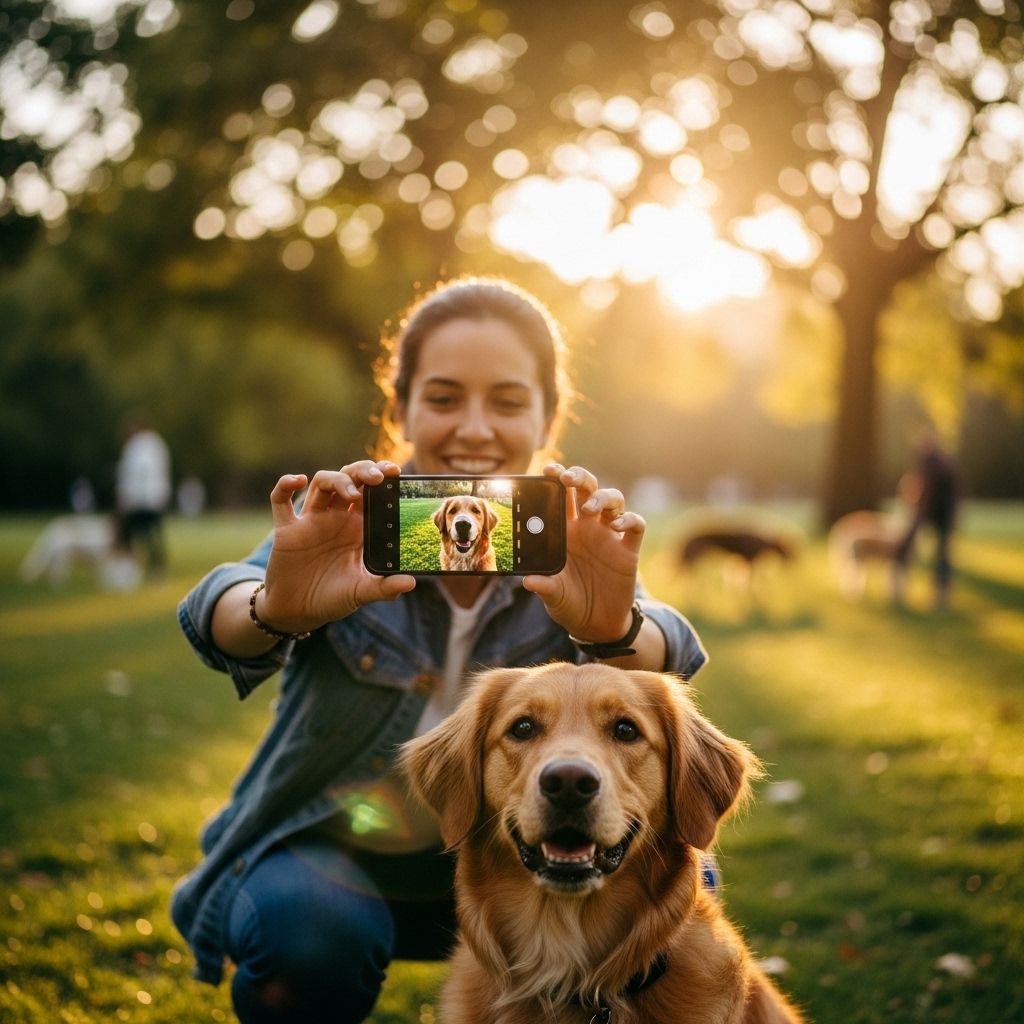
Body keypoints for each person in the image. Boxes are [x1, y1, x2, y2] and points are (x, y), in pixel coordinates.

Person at [171, 277, 708, 1024]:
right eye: (446, 397)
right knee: (310, 936)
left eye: (509, 402)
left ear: (550, 417)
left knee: (686, 888)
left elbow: (665, 653)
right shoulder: (351, 527)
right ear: (401, 409)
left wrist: (615, 630)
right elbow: (216, 613)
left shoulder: (566, 551)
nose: (476, 428)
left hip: (522, 857)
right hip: (338, 857)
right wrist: (278, 607)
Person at [894, 430, 960, 609]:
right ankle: (935, 593)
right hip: (939, 512)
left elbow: (927, 491)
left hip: (939, 513)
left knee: (941, 554)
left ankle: (940, 594)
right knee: (941, 552)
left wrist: (918, 511)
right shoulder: (941, 461)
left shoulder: (933, 464)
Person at [115, 411, 172, 579]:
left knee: (134, 535)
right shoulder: (158, 443)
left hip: (141, 500)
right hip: (156, 498)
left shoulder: (137, 446)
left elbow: (136, 473)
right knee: (153, 536)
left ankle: (132, 567)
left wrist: (127, 496)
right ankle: (157, 568)